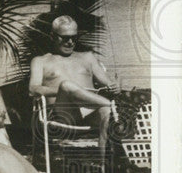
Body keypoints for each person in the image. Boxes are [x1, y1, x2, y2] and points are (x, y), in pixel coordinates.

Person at [29, 16, 118, 152]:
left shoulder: (88, 57)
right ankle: (111, 106)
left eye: (74, 38)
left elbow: (109, 83)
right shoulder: (41, 61)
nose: (70, 42)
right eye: (65, 38)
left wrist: (115, 86)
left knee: (106, 113)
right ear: (53, 36)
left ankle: (103, 167)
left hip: (90, 112)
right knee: (66, 85)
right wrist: (66, 92)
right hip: (64, 115)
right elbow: (33, 89)